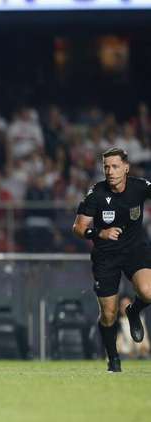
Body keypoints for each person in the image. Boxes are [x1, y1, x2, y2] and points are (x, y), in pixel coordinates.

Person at [72, 147, 151, 373]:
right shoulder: (96, 193)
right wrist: (100, 233)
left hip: (135, 250)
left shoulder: (139, 187)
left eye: (115, 166)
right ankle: (113, 359)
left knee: (148, 292)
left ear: (126, 168)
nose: (110, 171)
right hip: (106, 256)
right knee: (108, 314)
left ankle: (134, 311)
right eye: (106, 166)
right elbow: (78, 227)